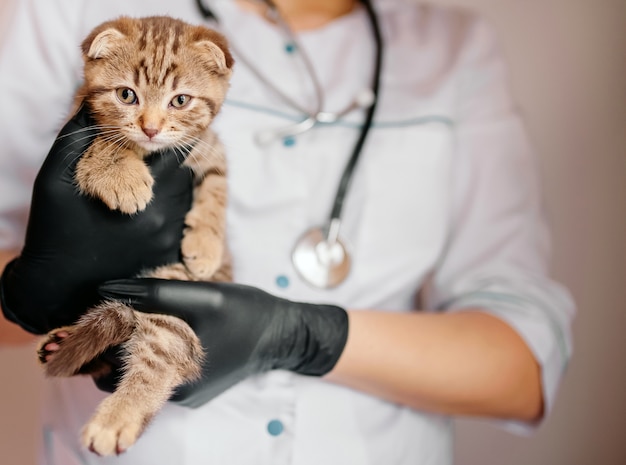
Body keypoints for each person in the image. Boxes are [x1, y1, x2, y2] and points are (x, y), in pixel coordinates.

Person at [0, 0, 575, 464]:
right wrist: (29, 290)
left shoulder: (455, 49)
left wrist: (302, 335)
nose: (151, 120)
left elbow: (521, 365)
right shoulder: (74, 10)